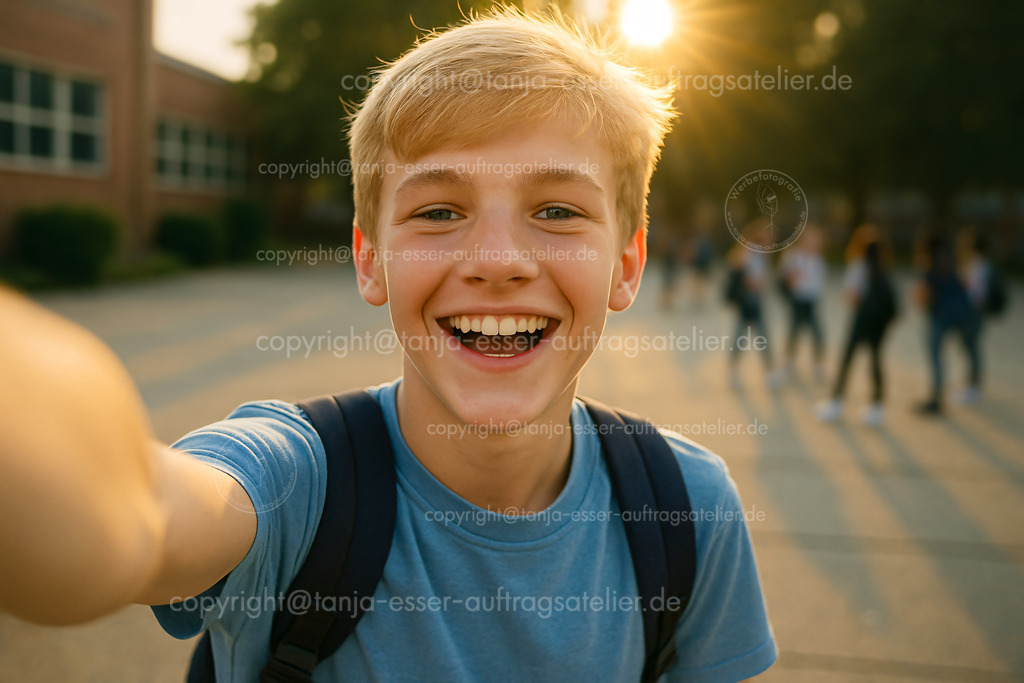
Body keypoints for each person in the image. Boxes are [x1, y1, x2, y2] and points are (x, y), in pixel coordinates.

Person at [0, 8, 777, 682]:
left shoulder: (688, 508)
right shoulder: (294, 486)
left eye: (557, 210)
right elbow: (133, 514)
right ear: (370, 258)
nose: (497, 259)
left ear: (627, 264)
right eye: (438, 211)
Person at [817, 239, 898, 426]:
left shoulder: (858, 267)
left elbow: (852, 296)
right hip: (880, 324)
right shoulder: (885, 268)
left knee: (848, 359)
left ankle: (836, 401)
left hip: (862, 320)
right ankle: (877, 405)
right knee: (875, 360)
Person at [913, 232, 981, 414]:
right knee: (969, 347)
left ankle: (936, 397)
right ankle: (974, 384)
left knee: (935, 354)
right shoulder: (952, 262)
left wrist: (919, 298)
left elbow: (924, 295)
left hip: (940, 316)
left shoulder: (929, 265)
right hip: (963, 314)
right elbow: (965, 285)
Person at [725, 225, 782, 390]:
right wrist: (757, 282)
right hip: (747, 302)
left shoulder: (762, 255)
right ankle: (734, 371)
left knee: (759, 337)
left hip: (756, 302)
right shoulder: (748, 253)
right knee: (742, 337)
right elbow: (748, 278)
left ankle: (767, 371)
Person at [779, 226, 826, 382]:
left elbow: (819, 282)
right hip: (797, 300)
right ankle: (789, 363)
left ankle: (817, 364)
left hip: (811, 301)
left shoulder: (818, 259)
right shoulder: (793, 257)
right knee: (794, 333)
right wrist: (793, 278)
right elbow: (785, 278)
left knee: (817, 334)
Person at [955, 226, 991, 404]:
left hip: (974, 313)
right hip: (975, 312)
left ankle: (973, 387)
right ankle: (972, 385)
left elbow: (977, 292)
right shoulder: (979, 263)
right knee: (970, 347)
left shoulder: (977, 264)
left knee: (971, 347)